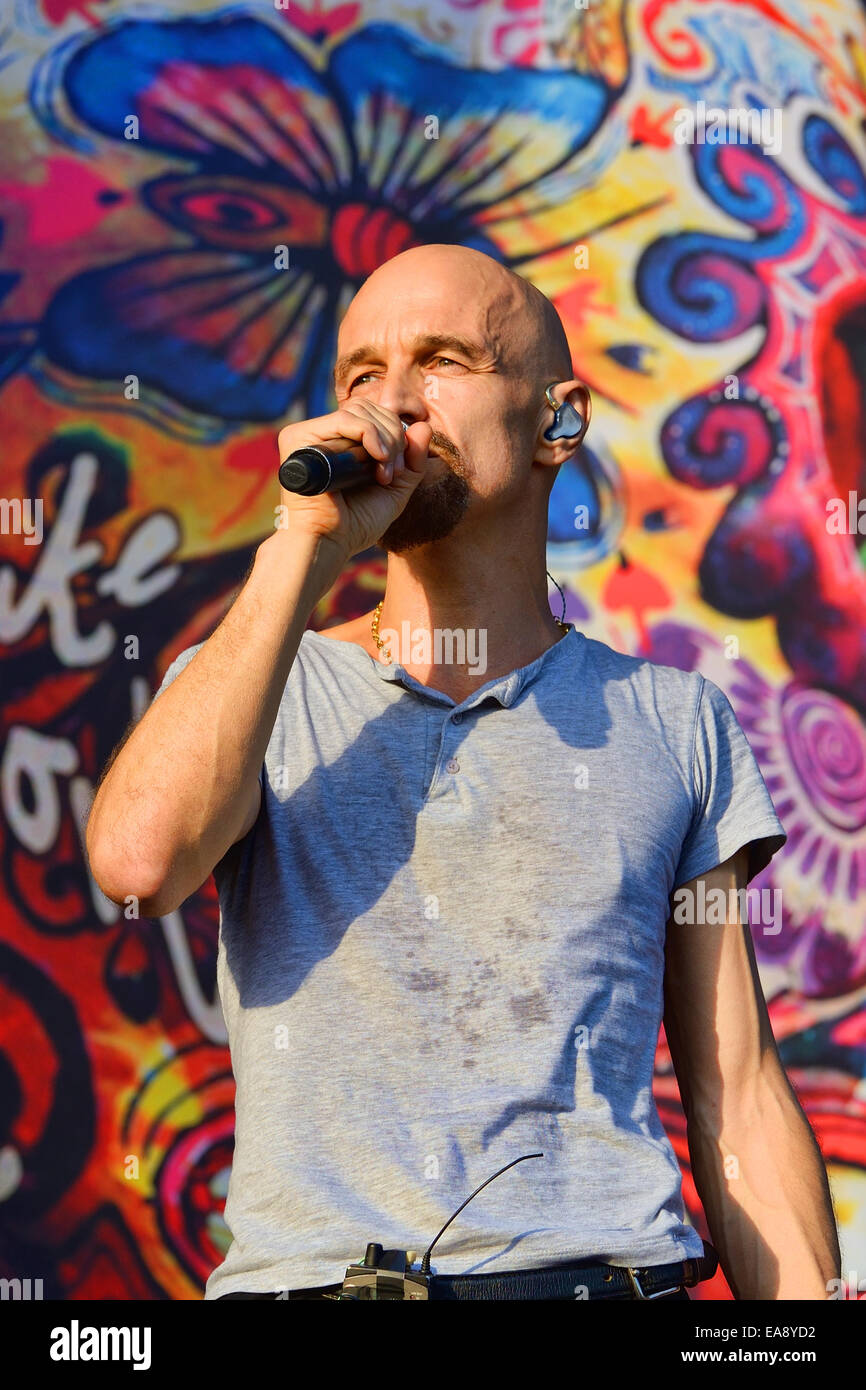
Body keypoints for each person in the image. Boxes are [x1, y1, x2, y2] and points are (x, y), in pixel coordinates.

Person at [85, 244, 840, 1302]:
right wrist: (300, 546)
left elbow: (738, 1092)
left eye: (440, 360)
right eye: (358, 374)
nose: (391, 401)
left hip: (595, 1280)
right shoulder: (257, 686)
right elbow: (136, 864)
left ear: (555, 420)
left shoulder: (672, 720)